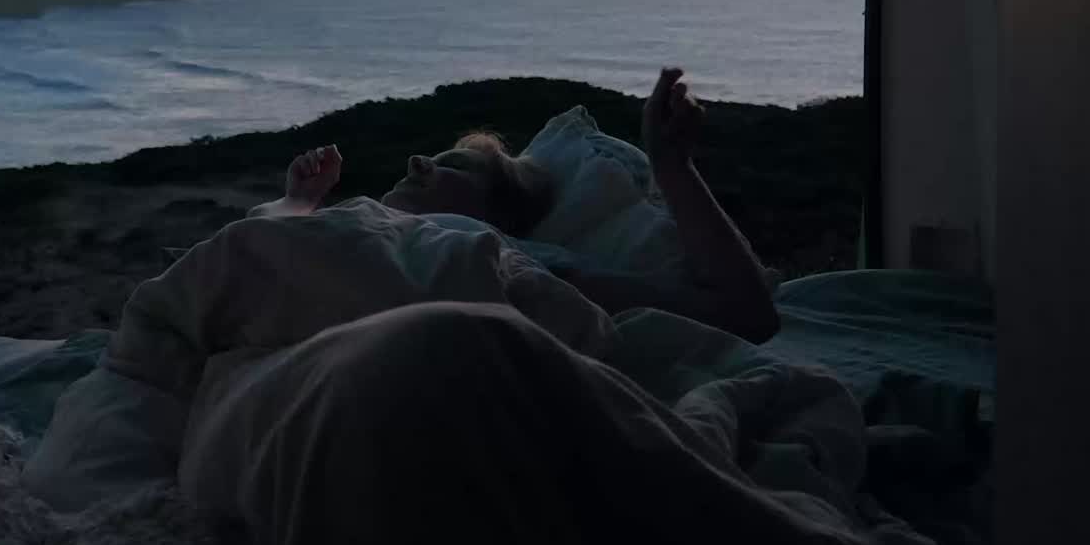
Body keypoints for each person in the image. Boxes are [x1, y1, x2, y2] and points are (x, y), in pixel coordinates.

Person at [248, 67, 778, 343]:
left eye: (453, 165)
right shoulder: (358, 226)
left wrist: (673, 168)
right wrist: (297, 204)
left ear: (495, 215)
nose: (416, 161)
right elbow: (256, 253)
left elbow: (745, 314)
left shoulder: (506, 256)